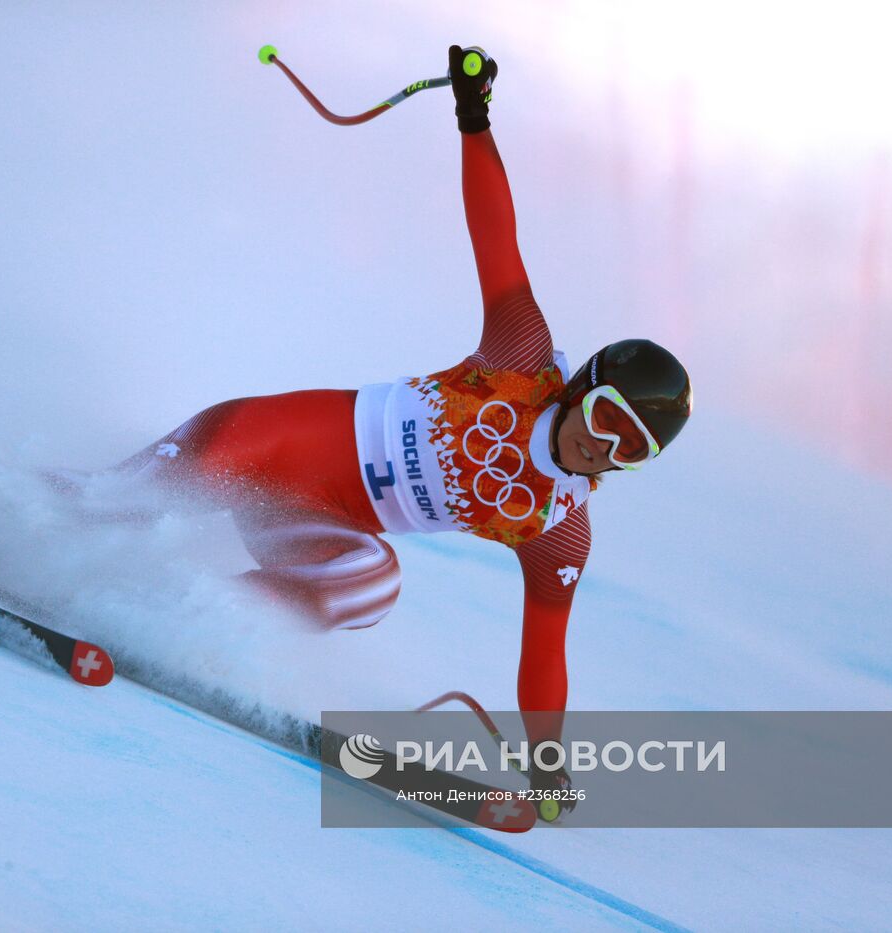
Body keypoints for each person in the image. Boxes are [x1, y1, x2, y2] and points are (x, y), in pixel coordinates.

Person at [62, 46, 692, 816]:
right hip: (266, 441)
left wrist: (548, 767)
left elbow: (544, 655)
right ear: (583, 389)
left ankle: (166, 621)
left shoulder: (559, 531)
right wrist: (473, 117)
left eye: (632, 450)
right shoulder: (520, 360)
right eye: (605, 420)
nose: (602, 448)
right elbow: (496, 234)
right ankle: (9, 509)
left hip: (303, 521)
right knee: (121, 500)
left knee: (372, 582)